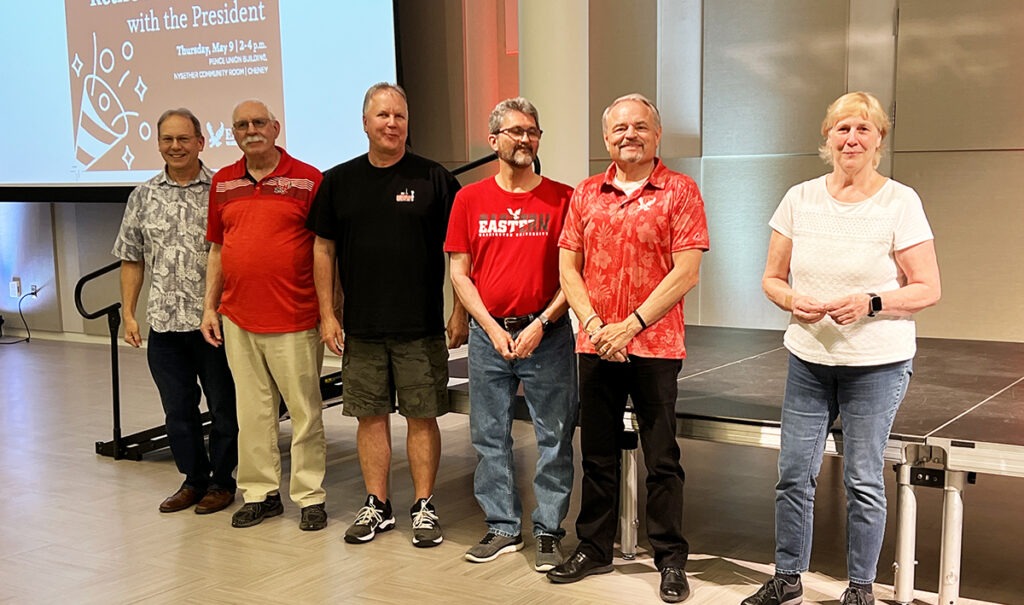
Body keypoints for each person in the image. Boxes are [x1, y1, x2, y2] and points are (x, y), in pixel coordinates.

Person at [741, 92, 941, 605]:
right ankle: (788, 577)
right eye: (842, 129)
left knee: (862, 479)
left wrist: (871, 302)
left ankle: (860, 589)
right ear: (827, 137)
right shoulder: (799, 198)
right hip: (809, 359)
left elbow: (927, 288)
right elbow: (772, 278)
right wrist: (793, 300)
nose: (852, 139)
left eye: (863, 129)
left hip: (876, 364)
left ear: (879, 139)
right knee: (793, 474)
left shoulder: (900, 202)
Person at [550, 93, 708, 604]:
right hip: (596, 344)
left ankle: (670, 559)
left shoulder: (680, 191)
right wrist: (597, 325)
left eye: (640, 126)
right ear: (605, 138)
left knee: (662, 458)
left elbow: (686, 271)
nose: (629, 135)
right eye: (619, 128)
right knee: (597, 455)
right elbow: (568, 267)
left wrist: (631, 326)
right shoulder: (584, 194)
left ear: (657, 135)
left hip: (655, 346)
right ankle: (594, 548)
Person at [307, 82, 466, 548]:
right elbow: (323, 249)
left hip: (420, 327)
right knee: (369, 417)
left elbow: (461, 251)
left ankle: (423, 505)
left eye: (399, 116)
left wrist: (459, 312)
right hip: (361, 328)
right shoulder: (338, 182)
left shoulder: (435, 179)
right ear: (365, 123)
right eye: (383, 115)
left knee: (422, 416)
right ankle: (377, 505)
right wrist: (327, 314)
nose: (392, 123)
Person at [444, 97, 578, 571]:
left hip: (549, 336)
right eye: (516, 131)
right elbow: (459, 273)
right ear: (493, 140)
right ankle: (502, 526)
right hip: (489, 339)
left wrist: (542, 323)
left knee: (554, 437)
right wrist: (489, 328)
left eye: (532, 131)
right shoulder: (468, 200)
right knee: (489, 436)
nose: (525, 139)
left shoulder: (564, 198)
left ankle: (548, 531)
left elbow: (574, 276)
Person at [200, 99, 328, 531]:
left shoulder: (308, 179)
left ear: (275, 128)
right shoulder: (222, 182)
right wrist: (209, 307)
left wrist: (331, 311)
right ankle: (260, 494)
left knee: (305, 413)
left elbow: (325, 251)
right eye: (241, 125)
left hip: (295, 316)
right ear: (233, 133)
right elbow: (217, 249)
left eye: (258, 122)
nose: (251, 130)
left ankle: (309, 496)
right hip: (238, 317)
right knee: (252, 413)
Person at [112, 108, 238, 515]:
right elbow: (132, 258)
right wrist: (130, 314)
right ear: (158, 144)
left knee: (224, 409)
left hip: (214, 324)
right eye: (167, 139)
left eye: (183, 139)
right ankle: (193, 480)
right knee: (178, 411)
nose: (175, 146)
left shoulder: (222, 190)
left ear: (201, 142)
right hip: (164, 325)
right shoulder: (143, 195)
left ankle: (222, 482)